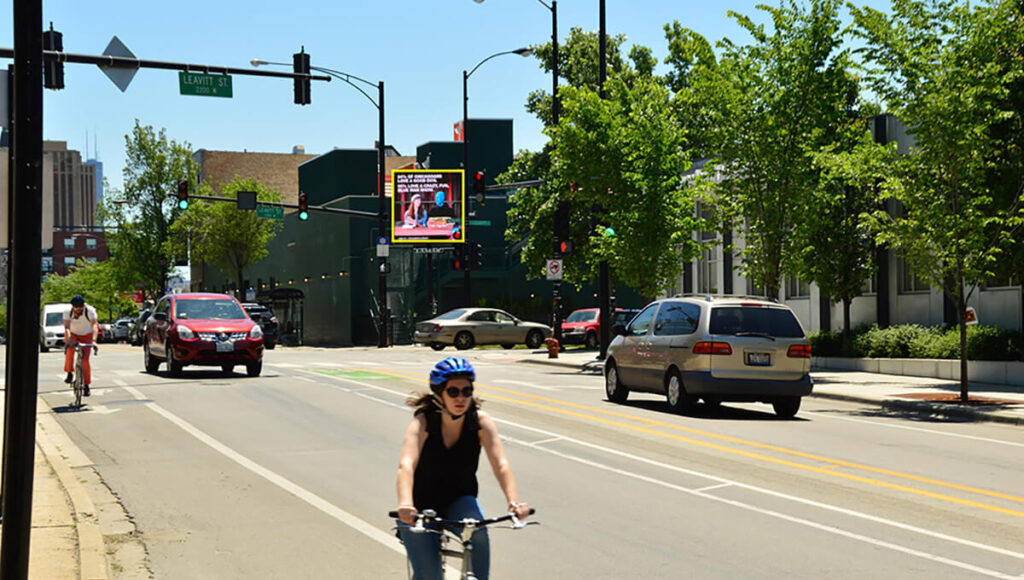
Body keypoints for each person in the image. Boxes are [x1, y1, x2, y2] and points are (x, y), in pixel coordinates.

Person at [396, 357, 530, 580]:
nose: (461, 398)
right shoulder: (424, 422)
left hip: (459, 499)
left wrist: (513, 502)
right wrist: (405, 504)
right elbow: (406, 465)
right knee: (430, 575)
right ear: (440, 394)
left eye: (467, 391)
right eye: (454, 391)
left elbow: (501, 464)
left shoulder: (480, 422)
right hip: (419, 505)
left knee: (478, 533)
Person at [63, 294, 99, 396]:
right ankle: (69, 372)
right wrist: (69, 339)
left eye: (79, 307)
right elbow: (67, 327)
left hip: (86, 335)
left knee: (85, 360)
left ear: (83, 306)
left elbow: (94, 325)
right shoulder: (67, 311)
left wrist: (94, 340)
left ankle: (86, 385)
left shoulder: (90, 310)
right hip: (73, 334)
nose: (77, 310)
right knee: (70, 350)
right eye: (75, 307)